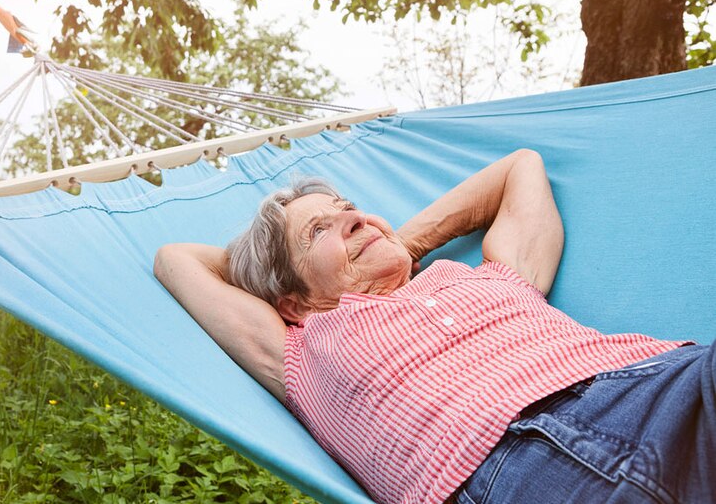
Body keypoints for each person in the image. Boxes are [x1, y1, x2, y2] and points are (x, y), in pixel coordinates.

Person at [154, 149, 714, 504]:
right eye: (317, 229)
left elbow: (520, 166)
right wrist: (273, 268)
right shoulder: (299, 348)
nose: (355, 215)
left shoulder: (489, 276)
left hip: (655, 384)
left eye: (352, 206)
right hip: (509, 466)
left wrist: (400, 243)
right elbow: (176, 259)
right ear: (294, 301)